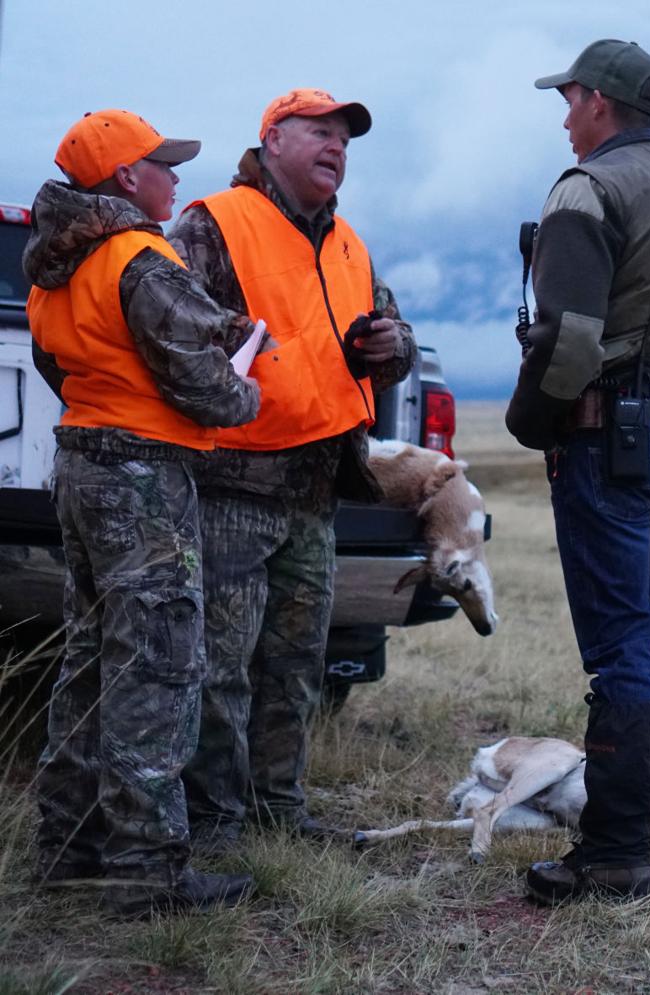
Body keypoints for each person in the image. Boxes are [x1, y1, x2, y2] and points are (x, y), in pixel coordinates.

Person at [507, 40, 650, 903]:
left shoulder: (587, 190)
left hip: (607, 438)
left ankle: (611, 857)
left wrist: (533, 421)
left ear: (599, 102)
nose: (565, 118)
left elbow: (568, 338)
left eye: (568, 100)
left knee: (620, 655)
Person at [26, 109, 261, 915]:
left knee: (90, 657)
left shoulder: (57, 264)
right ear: (127, 177)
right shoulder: (142, 260)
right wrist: (249, 387)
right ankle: (147, 869)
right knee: (158, 664)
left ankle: (67, 846)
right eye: (163, 163)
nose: (175, 176)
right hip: (145, 478)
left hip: (82, 462)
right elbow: (205, 382)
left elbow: (53, 360)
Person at [168, 89, 416, 847]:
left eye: (344, 137)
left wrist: (392, 347)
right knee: (221, 666)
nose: (336, 146)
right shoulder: (212, 225)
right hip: (233, 484)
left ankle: (279, 807)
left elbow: (393, 334)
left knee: (296, 662)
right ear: (272, 139)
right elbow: (169, 338)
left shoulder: (350, 246)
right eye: (319, 131)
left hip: (315, 490)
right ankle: (214, 822)